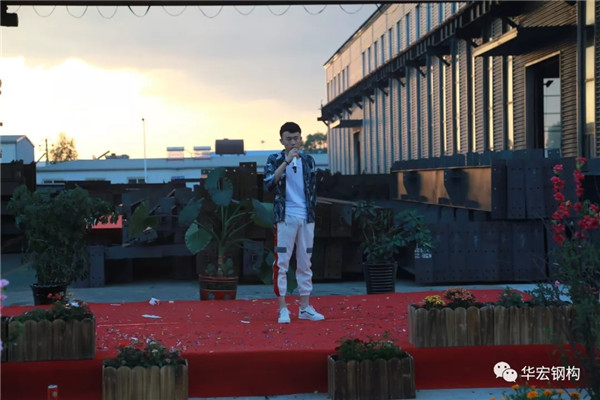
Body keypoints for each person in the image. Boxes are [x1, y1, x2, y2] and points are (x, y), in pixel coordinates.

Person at [263, 122, 325, 324]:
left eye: (296, 138)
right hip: (285, 217)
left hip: (306, 217)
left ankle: (305, 307)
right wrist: (286, 162)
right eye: (288, 139)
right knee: (281, 263)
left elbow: (313, 188)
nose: (293, 142)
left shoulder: (308, 160)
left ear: (301, 139)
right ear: (281, 140)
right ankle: (283, 309)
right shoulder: (274, 159)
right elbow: (269, 184)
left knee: (305, 263)